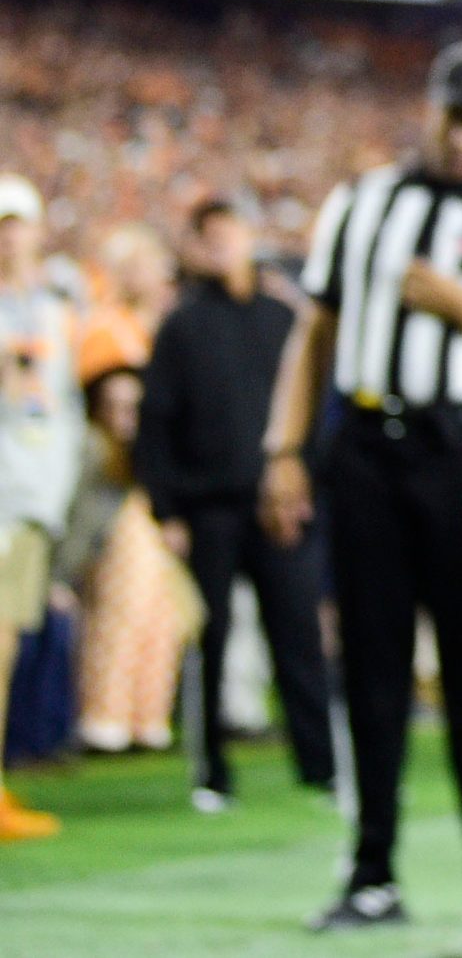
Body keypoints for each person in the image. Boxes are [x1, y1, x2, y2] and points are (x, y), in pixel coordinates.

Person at [259, 41, 462, 930]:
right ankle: (370, 875)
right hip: (363, 448)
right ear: (428, 107)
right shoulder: (359, 203)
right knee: (371, 666)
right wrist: (282, 450)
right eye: (451, 115)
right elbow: (313, 335)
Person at [135, 198, 336, 809]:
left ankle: (321, 768)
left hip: (277, 509)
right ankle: (212, 770)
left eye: (229, 234)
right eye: (209, 238)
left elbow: (315, 408)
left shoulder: (283, 319)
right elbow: (155, 424)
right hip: (208, 510)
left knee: (298, 637)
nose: (221, 247)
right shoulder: (181, 325)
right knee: (211, 641)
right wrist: (166, 511)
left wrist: (306, 487)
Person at [66, 225, 187, 756]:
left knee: (163, 608)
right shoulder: (106, 328)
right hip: (119, 483)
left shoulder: (165, 325)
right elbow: (102, 408)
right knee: (121, 601)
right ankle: (105, 716)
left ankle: (147, 715)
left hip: (162, 482)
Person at [0, 175, 79, 842]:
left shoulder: (51, 309)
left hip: (30, 494)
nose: (9, 236)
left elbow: (63, 411)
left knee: (6, 643)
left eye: (16, 222)